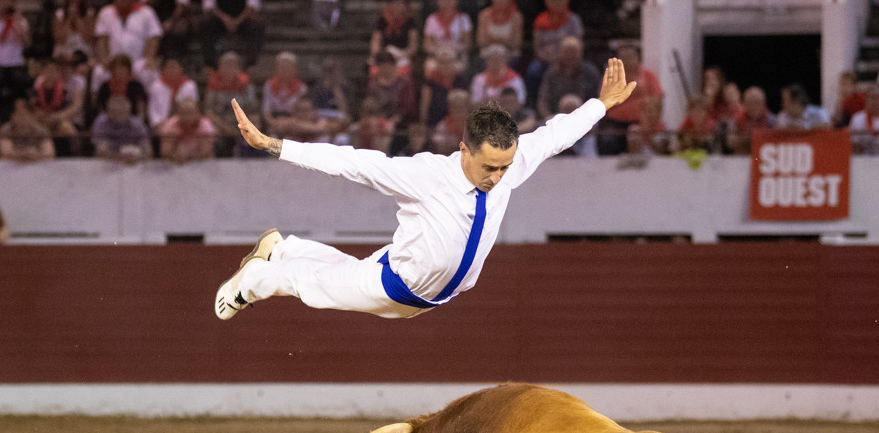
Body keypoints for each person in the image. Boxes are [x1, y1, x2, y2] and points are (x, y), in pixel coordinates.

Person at [212, 57, 635, 321]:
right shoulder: (429, 175)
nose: (499, 176)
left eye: (505, 166)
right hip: (395, 285)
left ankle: (283, 248)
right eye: (489, 166)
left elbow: (557, 134)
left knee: (337, 270)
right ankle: (249, 283)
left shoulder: (513, 160)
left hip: (422, 286)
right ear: (464, 149)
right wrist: (273, 145)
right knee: (314, 287)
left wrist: (602, 105)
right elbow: (354, 163)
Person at [597, 44, 662, 155]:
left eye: (630, 57)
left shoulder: (649, 76)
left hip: (643, 122)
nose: (627, 61)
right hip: (615, 123)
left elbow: (658, 101)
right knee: (607, 140)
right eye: (623, 58)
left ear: (638, 58)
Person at [0, 0, 31, 126]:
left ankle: (16, 116)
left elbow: (28, 42)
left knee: (19, 80)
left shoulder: (21, 21)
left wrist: (18, 20)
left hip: (15, 62)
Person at [526, 0, 583, 102]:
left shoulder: (573, 20)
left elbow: (577, 43)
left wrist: (561, 58)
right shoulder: (540, 20)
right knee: (533, 71)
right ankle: (533, 103)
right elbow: (537, 47)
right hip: (545, 59)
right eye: (553, 1)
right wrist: (549, 59)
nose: (556, 3)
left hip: (569, 57)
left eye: (559, 1)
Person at [535, 35, 599, 122]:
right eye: (567, 51)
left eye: (573, 51)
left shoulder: (590, 73)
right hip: (555, 119)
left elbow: (596, 100)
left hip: (585, 119)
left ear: (581, 53)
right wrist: (549, 118)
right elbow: (542, 101)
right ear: (560, 52)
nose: (570, 55)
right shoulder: (551, 73)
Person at [203, 49, 254, 157]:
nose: (229, 68)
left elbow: (252, 108)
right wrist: (225, 127)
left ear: (238, 67)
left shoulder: (245, 83)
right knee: (210, 131)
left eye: (232, 65)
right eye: (226, 65)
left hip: (240, 123)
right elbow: (208, 111)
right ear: (220, 66)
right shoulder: (213, 82)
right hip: (220, 123)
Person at [199, 0, 264, 70]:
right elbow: (209, 7)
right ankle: (211, 66)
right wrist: (225, 19)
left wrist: (237, 21)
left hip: (243, 18)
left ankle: (250, 66)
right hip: (219, 19)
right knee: (206, 24)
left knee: (256, 25)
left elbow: (253, 7)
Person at [419, 44, 469, 132]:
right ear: (437, 63)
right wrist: (424, 124)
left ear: (454, 62)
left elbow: (465, 104)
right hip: (434, 121)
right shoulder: (430, 81)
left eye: (449, 61)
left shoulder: (460, 79)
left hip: (457, 121)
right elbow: (424, 106)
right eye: (442, 62)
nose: (446, 65)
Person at [91, 94, 151, 162]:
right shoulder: (101, 123)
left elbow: (148, 151)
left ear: (129, 112)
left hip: (132, 163)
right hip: (107, 163)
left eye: (122, 112)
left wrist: (137, 157)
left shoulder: (137, 125)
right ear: (108, 112)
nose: (119, 116)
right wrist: (121, 157)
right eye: (115, 113)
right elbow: (101, 152)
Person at [95, 53, 148, 126]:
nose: (120, 71)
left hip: (131, 121)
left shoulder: (136, 85)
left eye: (122, 68)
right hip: (109, 121)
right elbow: (101, 107)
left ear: (128, 70)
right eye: (117, 68)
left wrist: (138, 121)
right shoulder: (105, 86)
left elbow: (141, 106)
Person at [159, 96, 216, 162]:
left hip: (200, 165)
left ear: (197, 113)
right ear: (178, 114)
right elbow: (165, 153)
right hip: (175, 165)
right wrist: (176, 159)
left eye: (190, 113)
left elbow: (207, 153)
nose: (187, 117)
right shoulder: (170, 125)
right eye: (184, 113)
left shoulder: (206, 125)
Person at [146, 57, 198, 130]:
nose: (172, 70)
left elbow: (193, 108)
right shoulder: (156, 86)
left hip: (185, 124)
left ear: (181, 69)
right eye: (169, 67)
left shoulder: (190, 85)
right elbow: (152, 110)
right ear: (163, 69)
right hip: (161, 126)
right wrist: (158, 124)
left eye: (174, 67)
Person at [421, 0, 471, 74]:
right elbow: (427, 45)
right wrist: (440, 51)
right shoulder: (431, 19)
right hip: (437, 55)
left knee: (459, 66)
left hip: (456, 55)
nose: (447, 3)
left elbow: (468, 44)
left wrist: (453, 49)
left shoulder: (463, 18)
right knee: (430, 66)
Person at [369, 0, 418, 71]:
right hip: (385, 55)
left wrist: (401, 54)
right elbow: (375, 43)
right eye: (395, 3)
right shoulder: (382, 20)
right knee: (374, 66)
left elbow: (413, 47)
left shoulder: (410, 21)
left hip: (402, 55)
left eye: (400, 3)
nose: (397, 6)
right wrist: (382, 54)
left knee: (403, 66)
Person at [725, 85, 771, 155]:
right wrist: (746, 138)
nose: (754, 107)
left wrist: (759, 137)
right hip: (741, 157)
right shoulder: (735, 118)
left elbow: (777, 142)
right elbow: (730, 143)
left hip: (763, 157)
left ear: (763, 105)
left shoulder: (771, 119)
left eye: (757, 103)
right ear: (744, 104)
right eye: (750, 103)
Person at [261, 50, 307, 120]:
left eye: (288, 66)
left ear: (294, 69)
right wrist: (274, 123)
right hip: (274, 121)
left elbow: (302, 111)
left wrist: (287, 123)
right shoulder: (268, 85)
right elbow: (266, 111)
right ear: (277, 68)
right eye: (282, 66)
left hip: (293, 121)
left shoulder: (301, 88)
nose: (285, 69)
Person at [476, 0, 522, 65]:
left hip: (510, 55)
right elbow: (481, 41)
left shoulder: (516, 17)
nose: (500, 1)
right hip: (487, 54)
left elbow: (516, 44)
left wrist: (492, 39)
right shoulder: (484, 15)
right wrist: (504, 40)